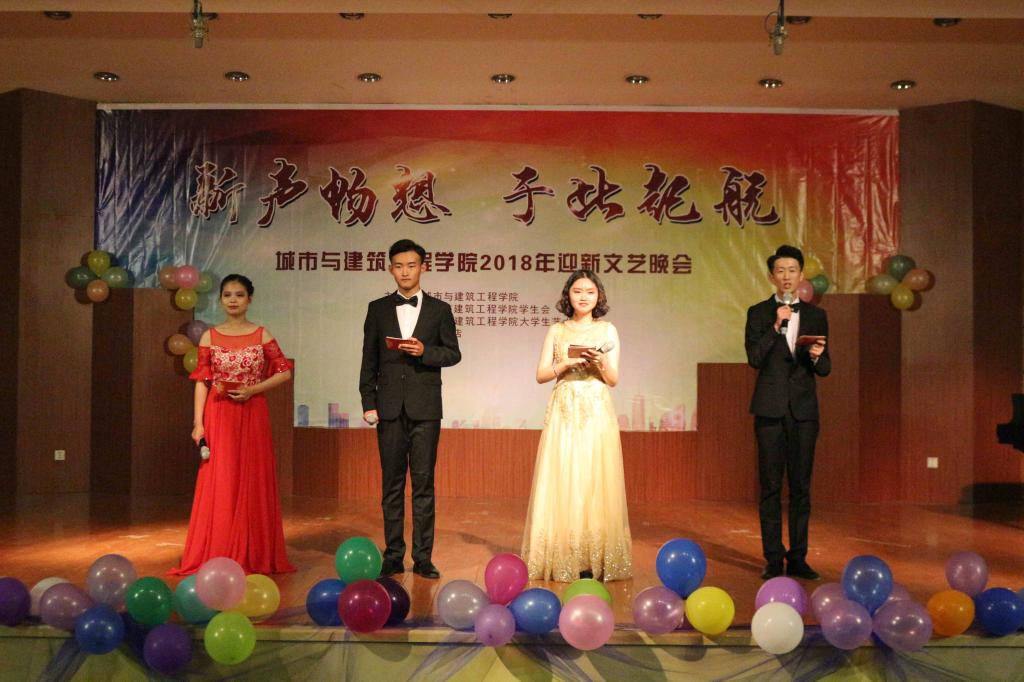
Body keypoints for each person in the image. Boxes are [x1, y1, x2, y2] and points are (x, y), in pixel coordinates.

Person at [171, 274, 295, 575]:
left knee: (252, 477)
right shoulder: (209, 337)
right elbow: (202, 382)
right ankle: (220, 549)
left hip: (252, 412)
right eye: (227, 295)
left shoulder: (261, 334)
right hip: (219, 414)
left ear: (249, 299)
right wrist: (198, 424)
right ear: (221, 300)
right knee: (222, 479)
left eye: (239, 295)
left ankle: (253, 551)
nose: (233, 300)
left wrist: (254, 389)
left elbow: (284, 372)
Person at [521, 270, 632, 582]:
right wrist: (567, 363)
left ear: (599, 297)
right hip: (565, 408)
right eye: (578, 291)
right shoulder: (557, 330)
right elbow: (541, 374)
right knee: (563, 477)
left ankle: (593, 557)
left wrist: (598, 362)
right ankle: (563, 555)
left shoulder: (607, 330)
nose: (584, 297)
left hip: (596, 409)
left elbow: (613, 379)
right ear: (567, 295)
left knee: (594, 479)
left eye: (590, 292)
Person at [359, 239, 461, 579]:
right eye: (399, 266)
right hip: (388, 408)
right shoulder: (377, 309)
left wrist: (425, 351)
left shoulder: (439, 310)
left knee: (423, 485)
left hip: (425, 409)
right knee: (391, 485)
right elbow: (368, 359)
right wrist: (368, 402)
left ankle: (423, 558)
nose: (405, 271)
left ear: (423, 268)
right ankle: (392, 555)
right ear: (391, 269)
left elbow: (453, 353)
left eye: (412, 265)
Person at [745, 245, 831, 581]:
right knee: (769, 487)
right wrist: (775, 326)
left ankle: (798, 558)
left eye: (792, 270)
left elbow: (824, 367)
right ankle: (772, 558)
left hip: (803, 412)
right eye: (780, 271)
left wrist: (816, 355)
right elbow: (755, 358)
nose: (786, 276)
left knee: (800, 487)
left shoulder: (816, 316)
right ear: (772, 276)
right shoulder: (758, 313)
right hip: (769, 411)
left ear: (801, 275)